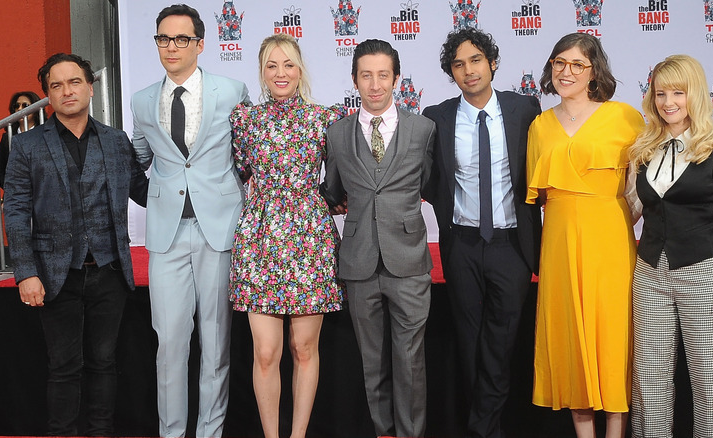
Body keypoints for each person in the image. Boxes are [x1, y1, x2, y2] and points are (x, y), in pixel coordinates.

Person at [3, 53, 148, 436]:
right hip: (54, 275)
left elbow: (145, 192)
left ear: (90, 87)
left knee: (104, 363)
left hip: (110, 271)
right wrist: (25, 273)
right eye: (56, 85)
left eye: (74, 82)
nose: (67, 91)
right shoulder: (27, 145)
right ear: (48, 94)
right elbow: (15, 211)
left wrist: (197, 177)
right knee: (63, 367)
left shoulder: (117, 141)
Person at [130, 4, 250, 437]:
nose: (172, 47)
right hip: (166, 235)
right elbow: (140, 159)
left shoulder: (233, 90)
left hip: (219, 229)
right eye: (164, 38)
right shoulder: (141, 99)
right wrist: (157, 197)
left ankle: (210, 432)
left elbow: (248, 155)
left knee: (216, 344)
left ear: (200, 44)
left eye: (182, 39)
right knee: (170, 345)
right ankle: (171, 432)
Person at [422, 28, 541, 438]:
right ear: (450, 72)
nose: (468, 70)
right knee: (470, 341)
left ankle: (482, 430)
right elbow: (427, 179)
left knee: (501, 344)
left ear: (492, 63)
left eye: (475, 60)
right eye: (458, 64)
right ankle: (485, 430)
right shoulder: (436, 117)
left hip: (511, 245)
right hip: (462, 245)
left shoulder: (526, 109)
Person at [627, 54, 713, 438]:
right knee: (648, 384)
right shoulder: (642, 148)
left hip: (703, 274)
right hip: (648, 274)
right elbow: (631, 208)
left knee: (711, 383)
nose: (668, 103)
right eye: (660, 93)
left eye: (678, 93)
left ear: (694, 94)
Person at [525, 32, 644, 438]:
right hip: (558, 240)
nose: (566, 72)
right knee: (570, 336)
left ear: (595, 71)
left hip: (609, 238)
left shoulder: (626, 117)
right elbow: (537, 197)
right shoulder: (539, 125)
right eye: (559, 63)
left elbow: (646, 184)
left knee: (611, 336)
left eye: (578, 64)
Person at [228, 33, 345, 438]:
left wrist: (334, 200)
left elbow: (342, 176)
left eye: (289, 64)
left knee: (304, 349)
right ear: (261, 71)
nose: (281, 73)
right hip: (259, 238)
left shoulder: (326, 118)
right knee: (265, 352)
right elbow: (241, 171)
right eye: (272, 65)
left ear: (300, 70)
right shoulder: (245, 120)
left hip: (309, 238)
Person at [320, 38, 435, 438]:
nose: (375, 84)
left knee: (410, 360)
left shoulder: (423, 129)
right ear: (354, 80)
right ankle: (383, 431)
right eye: (366, 75)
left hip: (408, 261)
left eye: (383, 75)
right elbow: (332, 190)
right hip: (359, 260)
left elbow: (428, 183)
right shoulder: (336, 134)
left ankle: (410, 433)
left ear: (397, 78)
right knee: (372, 361)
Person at [0, 91, 42, 187]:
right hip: (16, 196)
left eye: (25, 105)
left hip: (42, 193)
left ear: (35, 109)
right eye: (17, 106)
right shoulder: (7, 138)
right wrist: (11, 188)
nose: (20, 109)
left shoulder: (45, 133)